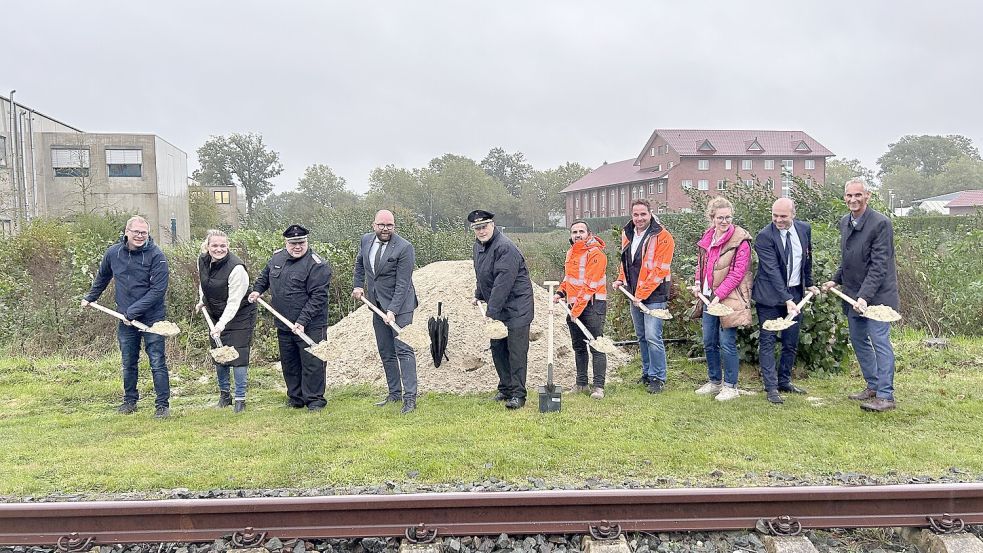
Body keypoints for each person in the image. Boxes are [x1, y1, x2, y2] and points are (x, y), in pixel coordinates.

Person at [81, 215, 171, 418]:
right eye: (136, 232)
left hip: (152, 319)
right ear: (127, 232)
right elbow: (102, 277)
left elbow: (158, 291)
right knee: (128, 361)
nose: (140, 236)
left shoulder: (157, 256)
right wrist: (90, 297)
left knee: (157, 360)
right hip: (125, 320)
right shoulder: (114, 253)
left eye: (144, 232)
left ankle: (162, 405)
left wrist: (132, 312)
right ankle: (130, 401)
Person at [822, 177, 900, 412]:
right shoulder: (845, 222)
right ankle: (873, 386)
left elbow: (879, 266)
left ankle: (886, 396)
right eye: (849, 195)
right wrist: (836, 280)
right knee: (858, 340)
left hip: (878, 297)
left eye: (858, 195)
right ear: (844, 197)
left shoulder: (880, 224)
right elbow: (849, 259)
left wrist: (865, 296)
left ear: (868, 196)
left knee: (879, 341)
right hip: (853, 295)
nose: (853, 199)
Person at [248, 225, 332, 412]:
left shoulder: (317, 265)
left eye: (301, 243)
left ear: (307, 242)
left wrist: (302, 321)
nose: (297, 247)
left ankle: (315, 400)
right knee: (290, 362)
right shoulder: (277, 258)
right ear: (286, 243)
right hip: (284, 323)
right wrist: (257, 290)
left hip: (310, 325)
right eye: (293, 243)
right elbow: (265, 277)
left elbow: (318, 298)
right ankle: (296, 398)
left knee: (312, 363)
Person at [752, 198, 820, 404]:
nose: (778, 220)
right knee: (768, 341)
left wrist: (808, 284)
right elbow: (772, 270)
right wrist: (786, 299)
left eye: (783, 216)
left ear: (793, 214)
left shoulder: (804, 230)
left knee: (790, 340)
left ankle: (784, 381)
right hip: (770, 297)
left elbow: (806, 259)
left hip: (795, 293)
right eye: (775, 216)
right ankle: (771, 388)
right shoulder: (764, 237)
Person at [353, 210, 420, 414]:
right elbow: (359, 264)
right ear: (374, 225)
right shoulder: (366, 240)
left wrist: (392, 310)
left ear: (394, 226)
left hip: (401, 307)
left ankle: (410, 399)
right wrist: (358, 285)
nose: (385, 229)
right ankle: (394, 393)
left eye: (389, 225)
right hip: (376, 304)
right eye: (381, 225)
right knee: (386, 351)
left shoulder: (404, 247)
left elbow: (403, 283)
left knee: (404, 350)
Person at [469, 209, 534, 410]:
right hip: (499, 308)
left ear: (493, 225)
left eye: (484, 226)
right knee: (498, 349)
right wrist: (479, 294)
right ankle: (505, 388)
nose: (481, 231)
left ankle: (518, 395)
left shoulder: (505, 248)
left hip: (517, 307)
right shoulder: (478, 247)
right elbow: (482, 274)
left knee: (515, 351)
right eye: (477, 228)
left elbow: (502, 283)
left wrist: (491, 313)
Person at [690, 197, 753, 402]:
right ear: (712, 218)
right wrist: (698, 284)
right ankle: (714, 381)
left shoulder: (740, 240)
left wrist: (719, 296)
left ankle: (731, 386)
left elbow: (737, 273)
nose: (724, 221)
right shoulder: (708, 237)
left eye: (728, 217)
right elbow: (701, 264)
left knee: (727, 342)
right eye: (720, 218)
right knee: (709, 341)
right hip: (709, 298)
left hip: (729, 298)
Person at [611, 199, 675, 394]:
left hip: (654, 294)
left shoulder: (663, 236)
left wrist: (641, 294)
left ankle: (658, 377)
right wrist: (621, 279)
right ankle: (647, 373)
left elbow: (659, 270)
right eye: (636, 215)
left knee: (653, 336)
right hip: (634, 293)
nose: (639, 218)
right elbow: (626, 261)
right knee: (641, 336)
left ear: (650, 214)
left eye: (643, 214)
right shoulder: (628, 232)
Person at [197, 229, 257, 414]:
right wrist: (202, 301)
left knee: (237, 354)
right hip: (215, 311)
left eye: (223, 245)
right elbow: (203, 283)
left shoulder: (236, 268)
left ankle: (240, 399)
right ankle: (225, 395)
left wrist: (220, 325)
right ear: (208, 246)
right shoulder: (203, 260)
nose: (219, 249)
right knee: (219, 352)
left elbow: (234, 302)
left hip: (240, 314)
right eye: (214, 245)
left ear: (228, 246)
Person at [554, 220, 609, 399]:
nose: (577, 235)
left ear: (588, 233)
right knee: (579, 346)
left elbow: (589, 286)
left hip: (593, 306)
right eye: (574, 232)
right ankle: (581, 383)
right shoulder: (571, 252)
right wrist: (561, 292)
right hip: (574, 307)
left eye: (581, 231)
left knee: (596, 345)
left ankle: (598, 387)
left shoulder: (596, 254)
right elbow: (570, 278)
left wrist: (575, 311)